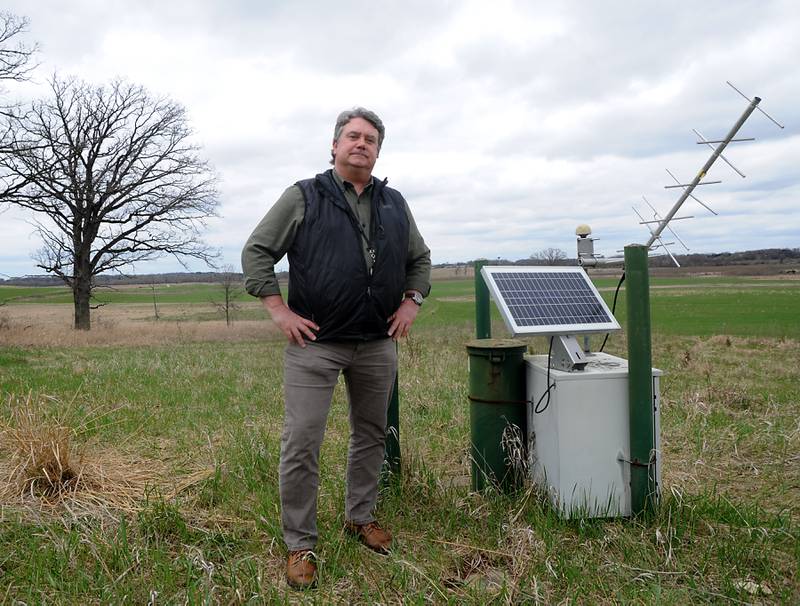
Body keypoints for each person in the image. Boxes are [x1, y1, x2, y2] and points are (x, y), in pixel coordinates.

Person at [241, 107, 431, 589]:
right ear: (334, 145)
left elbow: (420, 259)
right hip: (316, 343)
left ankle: (359, 517)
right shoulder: (304, 195)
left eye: (370, 139)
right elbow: (257, 251)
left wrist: (411, 301)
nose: (361, 144)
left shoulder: (394, 202)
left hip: (376, 342)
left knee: (371, 435)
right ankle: (300, 542)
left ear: (378, 149)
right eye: (352, 136)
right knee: (302, 442)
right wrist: (278, 311)